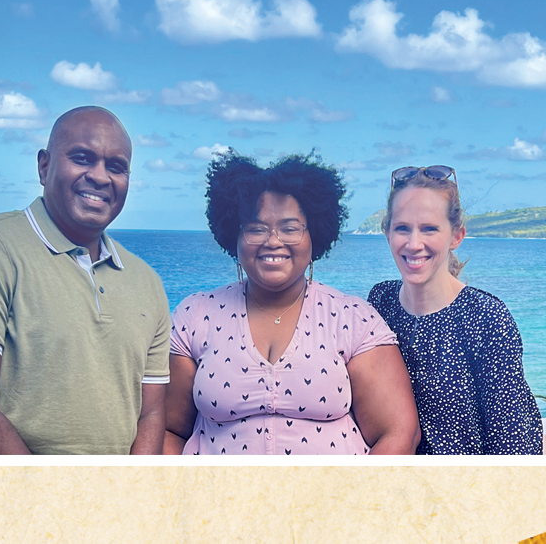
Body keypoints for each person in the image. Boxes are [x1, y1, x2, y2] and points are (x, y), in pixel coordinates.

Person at [0, 106, 171, 455]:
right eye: (82, 158)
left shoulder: (147, 282)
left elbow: (152, 415)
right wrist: (49, 497)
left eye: (116, 166)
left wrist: (131, 494)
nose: (100, 176)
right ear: (44, 165)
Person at [164, 152, 420, 455]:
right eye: (256, 228)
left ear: (315, 236)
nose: (273, 241)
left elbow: (399, 432)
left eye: (290, 228)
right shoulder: (195, 317)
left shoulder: (352, 318)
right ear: (234, 236)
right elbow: (169, 429)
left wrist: (353, 501)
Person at [368, 165, 542, 455]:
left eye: (429, 229)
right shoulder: (380, 302)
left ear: (456, 236)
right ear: (387, 233)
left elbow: (514, 445)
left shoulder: (486, 318)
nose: (414, 244)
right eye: (402, 228)